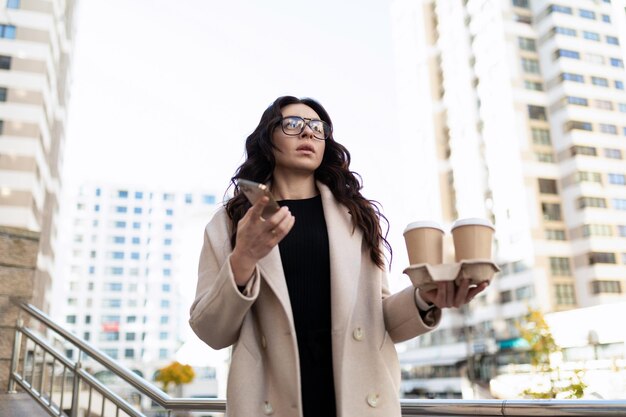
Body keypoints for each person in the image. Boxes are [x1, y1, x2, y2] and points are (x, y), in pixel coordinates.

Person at [189, 96, 488, 417]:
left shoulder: (357, 215)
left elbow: (380, 317)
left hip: (357, 398)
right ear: (267, 137)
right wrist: (243, 258)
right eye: (293, 125)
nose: (308, 134)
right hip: (270, 399)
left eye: (318, 128)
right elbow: (211, 332)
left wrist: (424, 298)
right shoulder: (233, 220)